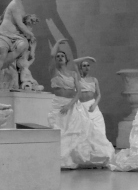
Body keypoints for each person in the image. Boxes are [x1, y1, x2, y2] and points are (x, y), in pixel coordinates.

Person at [47, 39, 114, 169]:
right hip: (58, 104)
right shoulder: (54, 71)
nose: (60, 58)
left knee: (76, 130)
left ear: (66, 60)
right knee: (61, 129)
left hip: (71, 104)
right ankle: (61, 158)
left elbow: (78, 92)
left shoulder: (73, 74)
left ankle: (78, 157)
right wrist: (58, 43)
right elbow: (51, 55)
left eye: (62, 56)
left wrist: (69, 105)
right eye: (58, 56)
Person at [0, 0, 34, 89]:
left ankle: (4, 65)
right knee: (3, 52)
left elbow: (22, 21)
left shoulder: (20, 4)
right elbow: (19, 23)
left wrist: (29, 19)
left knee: (23, 45)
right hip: (4, 34)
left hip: (15, 36)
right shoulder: (15, 4)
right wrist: (30, 34)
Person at [74, 57, 107, 135]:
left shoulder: (94, 79)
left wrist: (95, 104)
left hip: (92, 105)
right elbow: (74, 62)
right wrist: (88, 58)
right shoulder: (78, 78)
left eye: (88, 65)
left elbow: (99, 94)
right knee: (83, 129)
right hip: (81, 106)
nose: (86, 67)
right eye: (84, 65)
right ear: (81, 68)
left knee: (96, 128)